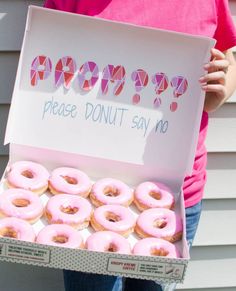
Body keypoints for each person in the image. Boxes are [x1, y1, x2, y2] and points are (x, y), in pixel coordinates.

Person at [43, 1, 236, 290]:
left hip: (173, 195)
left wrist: (221, 89)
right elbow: (45, 64)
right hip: (88, 192)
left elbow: (230, 52)